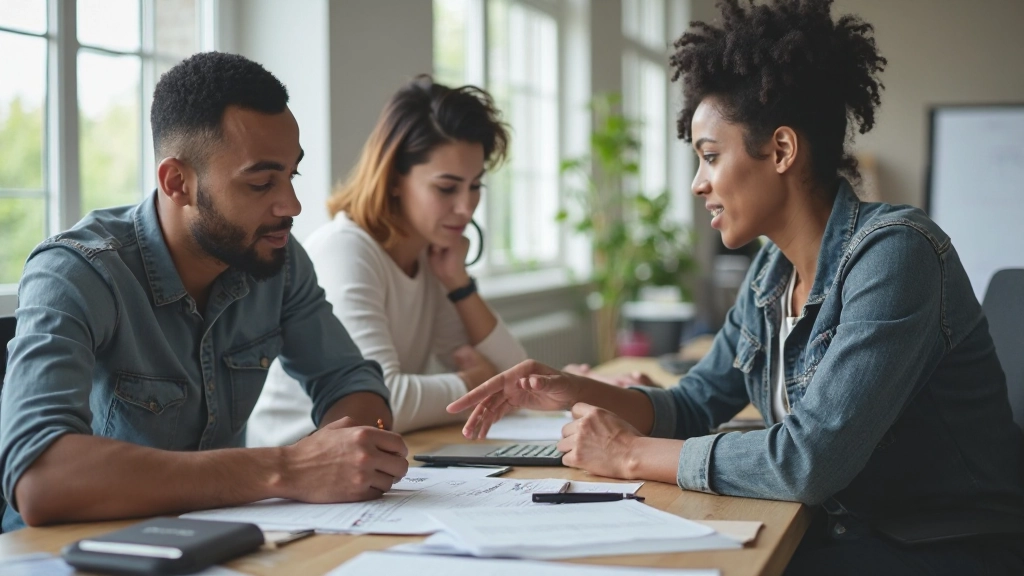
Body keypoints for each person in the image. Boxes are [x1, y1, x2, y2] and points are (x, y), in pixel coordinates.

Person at [447, 1, 1024, 573]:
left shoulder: (896, 254)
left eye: (710, 156)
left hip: (942, 545)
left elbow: (809, 460)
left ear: (780, 150)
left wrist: (627, 454)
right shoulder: (771, 273)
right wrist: (570, 387)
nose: (699, 184)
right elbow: (694, 404)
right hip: (849, 531)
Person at [0, 52, 409, 531]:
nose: (291, 205)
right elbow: (41, 480)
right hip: (72, 555)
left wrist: (357, 450)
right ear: (178, 182)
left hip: (215, 543)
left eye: (291, 175)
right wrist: (288, 468)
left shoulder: (276, 257)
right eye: (261, 183)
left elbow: (351, 383)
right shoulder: (76, 272)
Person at [248, 76, 527, 444]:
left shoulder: (432, 258)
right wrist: (471, 381)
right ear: (395, 178)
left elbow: (516, 381)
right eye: (446, 188)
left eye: (475, 185)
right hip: (297, 464)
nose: (465, 207)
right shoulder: (346, 249)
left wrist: (460, 285)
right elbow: (378, 399)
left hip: (365, 463)